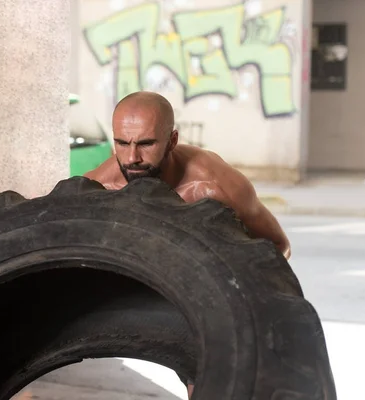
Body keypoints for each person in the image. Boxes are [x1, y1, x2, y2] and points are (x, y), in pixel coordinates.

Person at [83, 91, 291, 397]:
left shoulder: (213, 185)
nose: (131, 159)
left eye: (146, 144)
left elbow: (277, 245)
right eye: (122, 143)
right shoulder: (101, 189)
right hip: (144, 288)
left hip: (210, 289)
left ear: (172, 140)